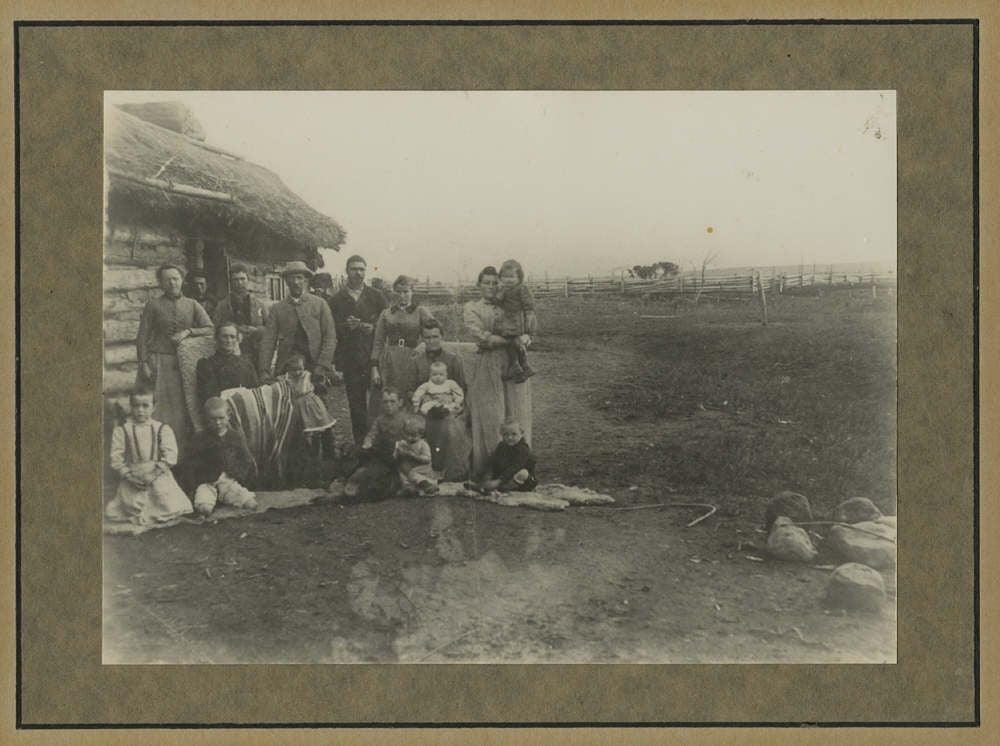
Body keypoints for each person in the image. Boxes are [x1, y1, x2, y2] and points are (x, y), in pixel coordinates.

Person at [463, 266, 533, 481]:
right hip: (489, 363)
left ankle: (520, 468)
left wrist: (528, 337)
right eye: (487, 283)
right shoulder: (472, 308)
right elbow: (483, 337)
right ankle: (490, 469)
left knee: (517, 411)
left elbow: (527, 323)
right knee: (491, 414)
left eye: (495, 283)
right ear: (479, 285)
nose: (492, 287)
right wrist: (512, 340)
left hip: (515, 365)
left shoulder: (510, 303)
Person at [136, 263, 214, 453]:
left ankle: (179, 455)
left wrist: (188, 331)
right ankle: (154, 451)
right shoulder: (153, 306)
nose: (172, 283)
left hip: (182, 365)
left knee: (180, 411)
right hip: (159, 362)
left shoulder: (192, 304)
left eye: (175, 278)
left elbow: (210, 328)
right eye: (167, 280)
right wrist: (143, 363)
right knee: (158, 408)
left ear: (181, 280)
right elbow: (142, 337)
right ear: (161, 284)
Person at [105, 386, 194, 525]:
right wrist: (129, 477)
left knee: (165, 503)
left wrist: (154, 474)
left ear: (154, 407)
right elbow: (116, 458)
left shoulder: (162, 429)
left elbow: (170, 455)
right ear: (130, 406)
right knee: (128, 506)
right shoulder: (123, 430)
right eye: (136, 406)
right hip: (134, 475)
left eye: (145, 406)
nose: (140, 410)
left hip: (157, 474)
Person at [327, 255, 388, 445]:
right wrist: (346, 326)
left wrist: (372, 327)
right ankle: (362, 447)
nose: (358, 273)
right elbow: (330, 329)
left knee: (380, 402)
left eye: (362, 269)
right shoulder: (336, 300)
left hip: (375, 358)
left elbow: (387, 322)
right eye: (354, 269)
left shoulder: (376, 296)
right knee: (356, 406)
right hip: (351, 359)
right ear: (347, 271)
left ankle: (383, 444)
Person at [410, 320, 470, 481]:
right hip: (426, 407)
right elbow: (413, 388)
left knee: (449, 425)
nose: (431, 341)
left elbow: (462, 388)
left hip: (450, 407)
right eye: (427, 337)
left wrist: (453, 402)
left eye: (435, 336)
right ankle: (429, 469)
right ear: (423, 339)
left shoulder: (453, 359)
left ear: (442, 337)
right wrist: (425, 399)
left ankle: (452, 470)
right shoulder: (417, 360)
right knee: (415, 426)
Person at [368, 274, 435, 417]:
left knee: (410, 397)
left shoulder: (420, 312)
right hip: (389, 362)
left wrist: (423, 344)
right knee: (389, 399)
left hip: (412, 359)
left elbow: (436, 333)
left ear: (412, 292)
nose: (402, 295)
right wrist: (374, 368)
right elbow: (378, 342)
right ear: (394, 293)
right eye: (398, 292)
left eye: (406, 292)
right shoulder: (386, 314)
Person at [258, 261, 337, 382]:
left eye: (299, 278)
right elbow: (268, 339)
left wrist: (322, 365)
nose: (295, 282)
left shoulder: (320, 304)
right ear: (286, 281)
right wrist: (264, 369)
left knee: (316, 399)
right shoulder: (278, 308)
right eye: (291, 278)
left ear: (306, 280)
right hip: (287, 364)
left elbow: (330, 337)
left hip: (314, 364)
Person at [186, 397, 259, 516]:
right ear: (206, 419)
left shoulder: (235, 437)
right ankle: (210, 501)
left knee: (251, 504)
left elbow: (245, 459)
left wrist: (236, 474)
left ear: (228, 416)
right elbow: (191, 463)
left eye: (221, 418)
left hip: (228, 481)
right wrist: (194, 485)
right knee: (204, 509)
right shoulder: (200, 438)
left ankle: (225, 497)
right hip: (207, 482)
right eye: (213, 419)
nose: (218, 423)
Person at [343, 388, 408, 500]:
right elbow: (372, 434)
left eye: (392, 401)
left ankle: (363, 480)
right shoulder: (380, 419)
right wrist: (367, 442)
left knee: (384, 465)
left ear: (400, 403)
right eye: (385, 402)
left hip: (399, 452)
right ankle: (352, 477)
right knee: (358, 451)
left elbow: (411, 436)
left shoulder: (405, 419)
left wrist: (403, 445)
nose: (389, 405)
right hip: (383, 451)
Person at [212, 263, 269, 361]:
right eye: (236, 280)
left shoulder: (259, 304)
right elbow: (215, 328)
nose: (239, 283)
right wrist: (236, 330)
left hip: (256, 351)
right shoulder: (222, 306)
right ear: (231, 282)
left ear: (248, 280)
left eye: (242, 279)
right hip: (231, 352)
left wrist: (256, 330)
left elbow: (269, 327)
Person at [195, 323, 259, 406]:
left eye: (232, 337)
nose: (229, 341)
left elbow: (255, 390)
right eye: (224, 336)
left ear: (237, 339)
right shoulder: (206, 364)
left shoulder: (246, 363)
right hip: (220, 411)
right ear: (216, 338)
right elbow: (210, 396)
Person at [496, 258, 538, 382]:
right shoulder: (503, 290)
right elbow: (497, 301)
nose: (508, 280)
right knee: (510, 342)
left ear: (519, 277)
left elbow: (529, 306)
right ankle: (519, 367)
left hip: (517, 319)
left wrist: (528, 328)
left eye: (512, 277)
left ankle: (520, 366)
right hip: (506, 320)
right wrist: (500, 293)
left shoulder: (521, 289)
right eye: (505, 277)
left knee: (514, 341)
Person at [279, 353, 336, 434]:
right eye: (293, 370)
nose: (297, 372)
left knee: (317, 426)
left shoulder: (308, 376)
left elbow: (322, 384)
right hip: (295, 406)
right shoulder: (286, 378)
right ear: (288, 369)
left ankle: (324, 441)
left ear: (304, 368)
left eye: (300, 369)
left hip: (310, 405)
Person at [482, 419, 538, 493]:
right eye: (506, 434)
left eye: (514, 434)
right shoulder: (501, 446)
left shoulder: (523, 449)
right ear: (501, 435)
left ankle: (504, 487)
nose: (509, 437)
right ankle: (489, 486)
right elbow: (493, 461)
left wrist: (499, 481)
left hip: (522, 481)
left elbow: (515, 467)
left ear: (521, 434)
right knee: (489, 474)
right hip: (505, 477)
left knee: (523, 473)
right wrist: (488, 477)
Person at [393, 415, 438, 496]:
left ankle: (426, 484)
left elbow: (427, 459)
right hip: (406, 469)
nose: (409, 438)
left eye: (413, 435)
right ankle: (409, 489)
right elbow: (395, 458)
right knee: (400, 473)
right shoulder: (402, 444)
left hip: (421, 469)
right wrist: (398, 454)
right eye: (407, 434)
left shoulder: (422, 444)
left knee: (412, 474)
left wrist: (413, 455)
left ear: (421, 435)